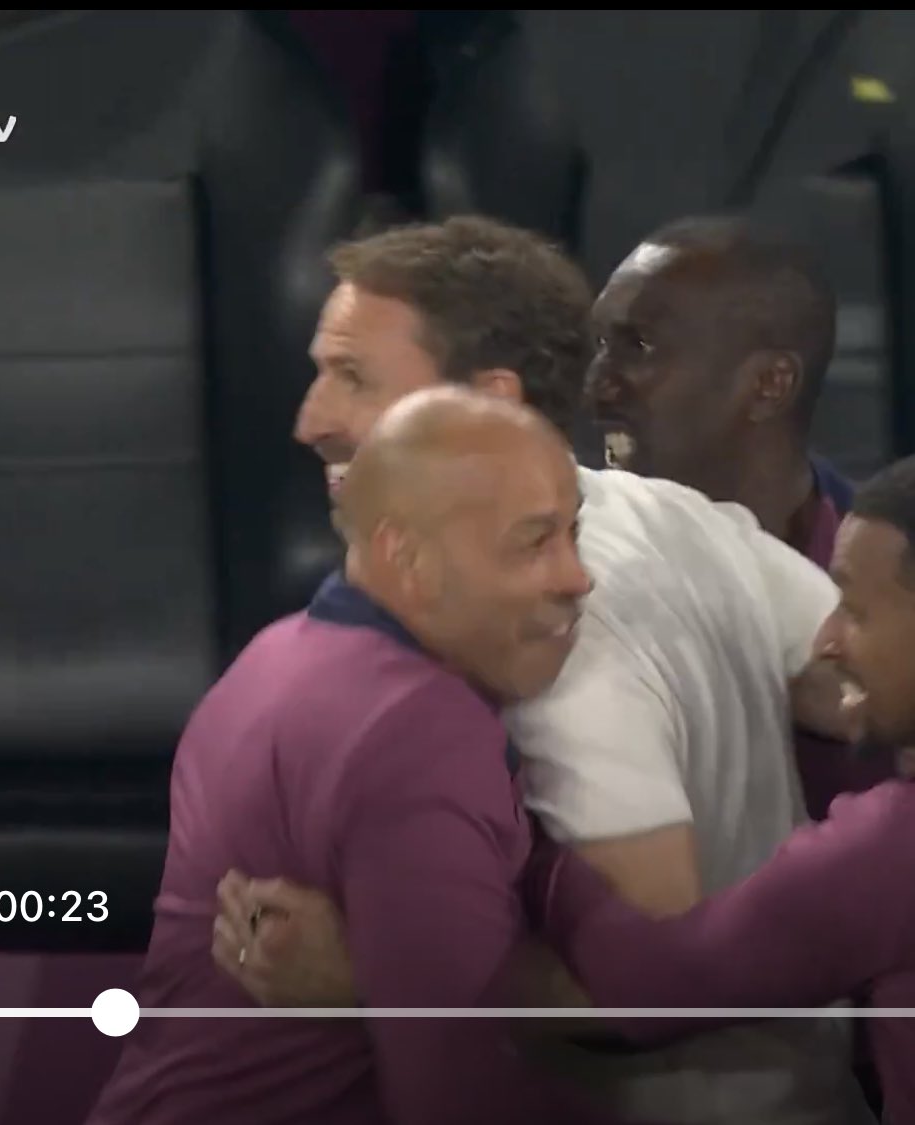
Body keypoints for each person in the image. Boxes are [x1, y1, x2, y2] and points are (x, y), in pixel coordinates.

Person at [215, 215, 871, 1125]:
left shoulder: (552, 633)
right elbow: (859, 689)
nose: (312, 420)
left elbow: (657, 983)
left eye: (356, 380)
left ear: (487, 399)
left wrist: (377, 967)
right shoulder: (675, 513)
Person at [86, 386, 616, 1125]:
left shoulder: (274, 656)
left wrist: (379, 980)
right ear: (408, 554)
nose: (576, 576)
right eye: (532, 541)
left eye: (571, 534)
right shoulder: (419, 730)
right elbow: (460, 1099)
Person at [537, 454, 915, 1125]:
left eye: (853, 608)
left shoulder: (891, 853)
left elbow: (650, 987)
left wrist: (533, 861)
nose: (826, 639)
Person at [585, 213, 893, 819]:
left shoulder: (896, 590)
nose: (597, 385)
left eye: (639, 347)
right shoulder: (547, 572)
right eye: (599, 345)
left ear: (769, 384)